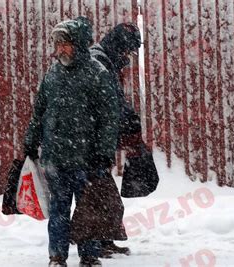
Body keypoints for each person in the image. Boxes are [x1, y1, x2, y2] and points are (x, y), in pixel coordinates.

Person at [24, 17, 120, 267]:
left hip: (86, 159)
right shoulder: (53, 74)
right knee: (58, 209)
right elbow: (39, 111)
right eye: (57, 44)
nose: (60, 50)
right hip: (56, 158)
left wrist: (103, 152)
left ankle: (89, 256)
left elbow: (109, 118)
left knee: (88, 208)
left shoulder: (97, 74)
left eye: (65, 44)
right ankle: (57, 256)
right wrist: (31, 141)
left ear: (78, 43)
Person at [90, 23, 143, 257]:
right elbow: (109, 101)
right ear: (118, 45)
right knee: (100, 194)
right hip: (92, 142)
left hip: (100, 140)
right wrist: (128, 118)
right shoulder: (99, 62)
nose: (126, 57)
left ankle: (102, 240)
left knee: (103, 194)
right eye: (126, 50)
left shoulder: (106, 61)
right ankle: (94, 244)